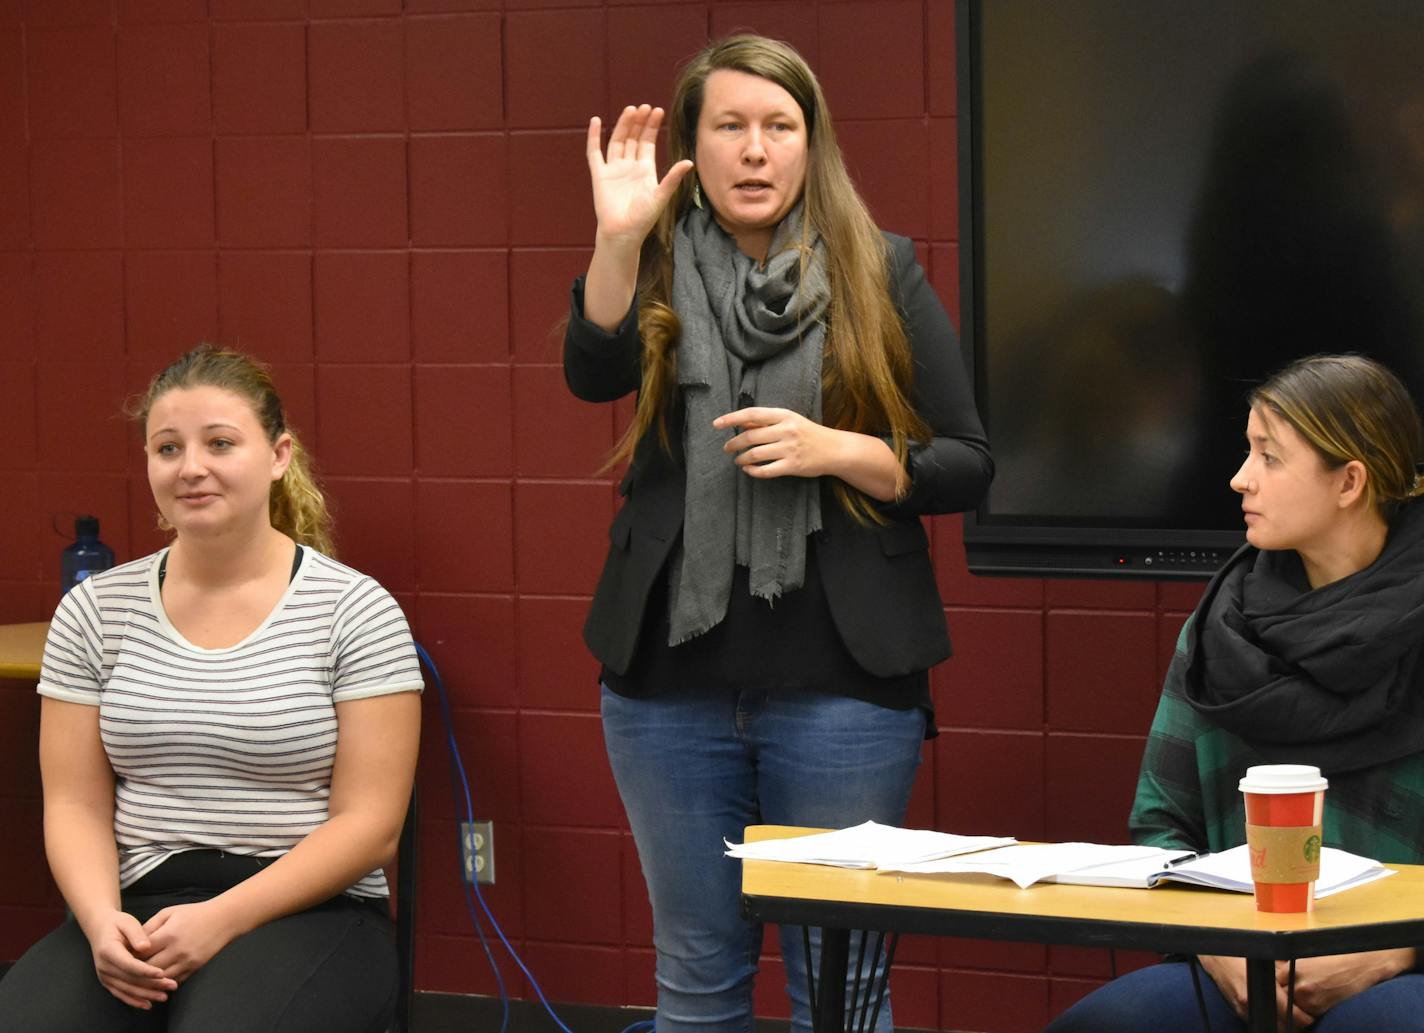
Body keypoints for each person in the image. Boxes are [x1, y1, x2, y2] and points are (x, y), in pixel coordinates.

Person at [564, 34, 993, 1033]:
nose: (753, 151)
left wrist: (834, 449)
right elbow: (593, 370)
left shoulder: (878, 269)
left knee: (837, 992)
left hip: (842, 681)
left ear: (811, 146)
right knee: (696, 981)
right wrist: (617, 240)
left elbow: (966, 459)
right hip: (665, 687)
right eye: (728, 127)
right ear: (693, 145)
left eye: (776, 128)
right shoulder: (654, 261)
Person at [0, 345, 423, 1033]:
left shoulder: (354, 609)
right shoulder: (94, 610)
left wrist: (221, 920)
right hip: (137, 904)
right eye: (167, 447)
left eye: (219, 442)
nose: (191, 466)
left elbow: (370, 827)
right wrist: (101, 920)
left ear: (279, 454)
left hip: (309, 909)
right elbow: (74, 802)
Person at [1044, 354, 1424, 1033]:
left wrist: (1391, 952)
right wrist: (1220, 946)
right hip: (1234, 950)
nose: (1238, 477)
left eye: (1269, 457)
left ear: (1350, 482)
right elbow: (1161, 826)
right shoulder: (1225, 623)